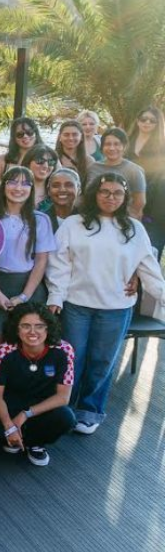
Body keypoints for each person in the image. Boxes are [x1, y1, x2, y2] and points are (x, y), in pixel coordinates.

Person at [46, 172, 165, 435]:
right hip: (77, 305)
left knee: (102, 361)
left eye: (117, 193)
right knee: (72, 360)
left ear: (125, 198)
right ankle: (62, 408)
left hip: (116, 308)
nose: (111, 197)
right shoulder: (74, 224)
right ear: (94, 194)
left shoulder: (134, 229)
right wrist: (56, 296)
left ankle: (89, 411)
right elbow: (59, 264)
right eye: (105, 192)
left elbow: (149, 269)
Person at [0, 303, 77, 467]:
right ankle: (12, 435)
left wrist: (25, 414)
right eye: (25, 326)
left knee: (66, 418)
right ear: (16, 329)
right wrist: (8, 425)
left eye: (39, 326)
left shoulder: (64, 349)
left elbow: (63, 397)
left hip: (41, 406)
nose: (32, 332)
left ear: (48, 328)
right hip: (11, 402)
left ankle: (35, 442)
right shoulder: (5, 350)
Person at [0, 166, 55, 359]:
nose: (18, 188)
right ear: (3, 185)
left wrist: (24, 296)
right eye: (12, 181)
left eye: (25, 183)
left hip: (28, 285)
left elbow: (41, 261)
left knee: (27, 344)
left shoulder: (40, 220)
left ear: (31, 189)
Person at [127, 105, 165, 247]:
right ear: (137, 121)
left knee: (150, 248)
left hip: (153, 205)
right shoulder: (127, 142)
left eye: (152, 120)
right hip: (125, 201)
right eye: (144, 119)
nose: (147, 122)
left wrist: (142, 206)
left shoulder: (162, 147)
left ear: (158, 124)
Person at [89, 128, 148, 219]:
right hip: (93, 217)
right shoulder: (93, 168)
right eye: (108, 144)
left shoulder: (134, 170)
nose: (112, 148)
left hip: (122, 220)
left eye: (117, 144)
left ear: (124, 146)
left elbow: (139, 202)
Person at [23, 145, 59, 211]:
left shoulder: (57, 193)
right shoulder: (15, 189)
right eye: (40, 161)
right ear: (28, 163)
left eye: (51, 162)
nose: (45, 166)